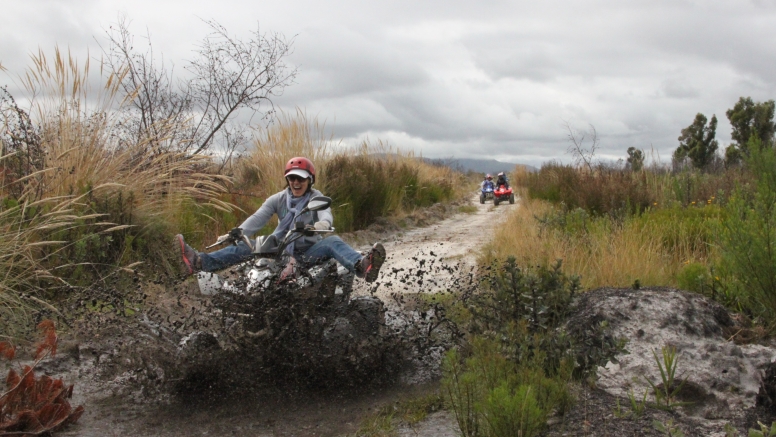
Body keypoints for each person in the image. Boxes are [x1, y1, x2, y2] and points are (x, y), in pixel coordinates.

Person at [174, 157, 386, 283]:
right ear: (287, 179)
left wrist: (320, 226)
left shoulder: (317, 198)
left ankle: (362, 266)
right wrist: (237, 232)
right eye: (292, 178)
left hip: (308, 252)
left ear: (309, 180)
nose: (296, 182)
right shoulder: (278, 199)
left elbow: (326, 216)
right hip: (279, 248)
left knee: (332, 242)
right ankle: (199, 262)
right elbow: (257, 218)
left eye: (301, 178)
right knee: (250, 244)